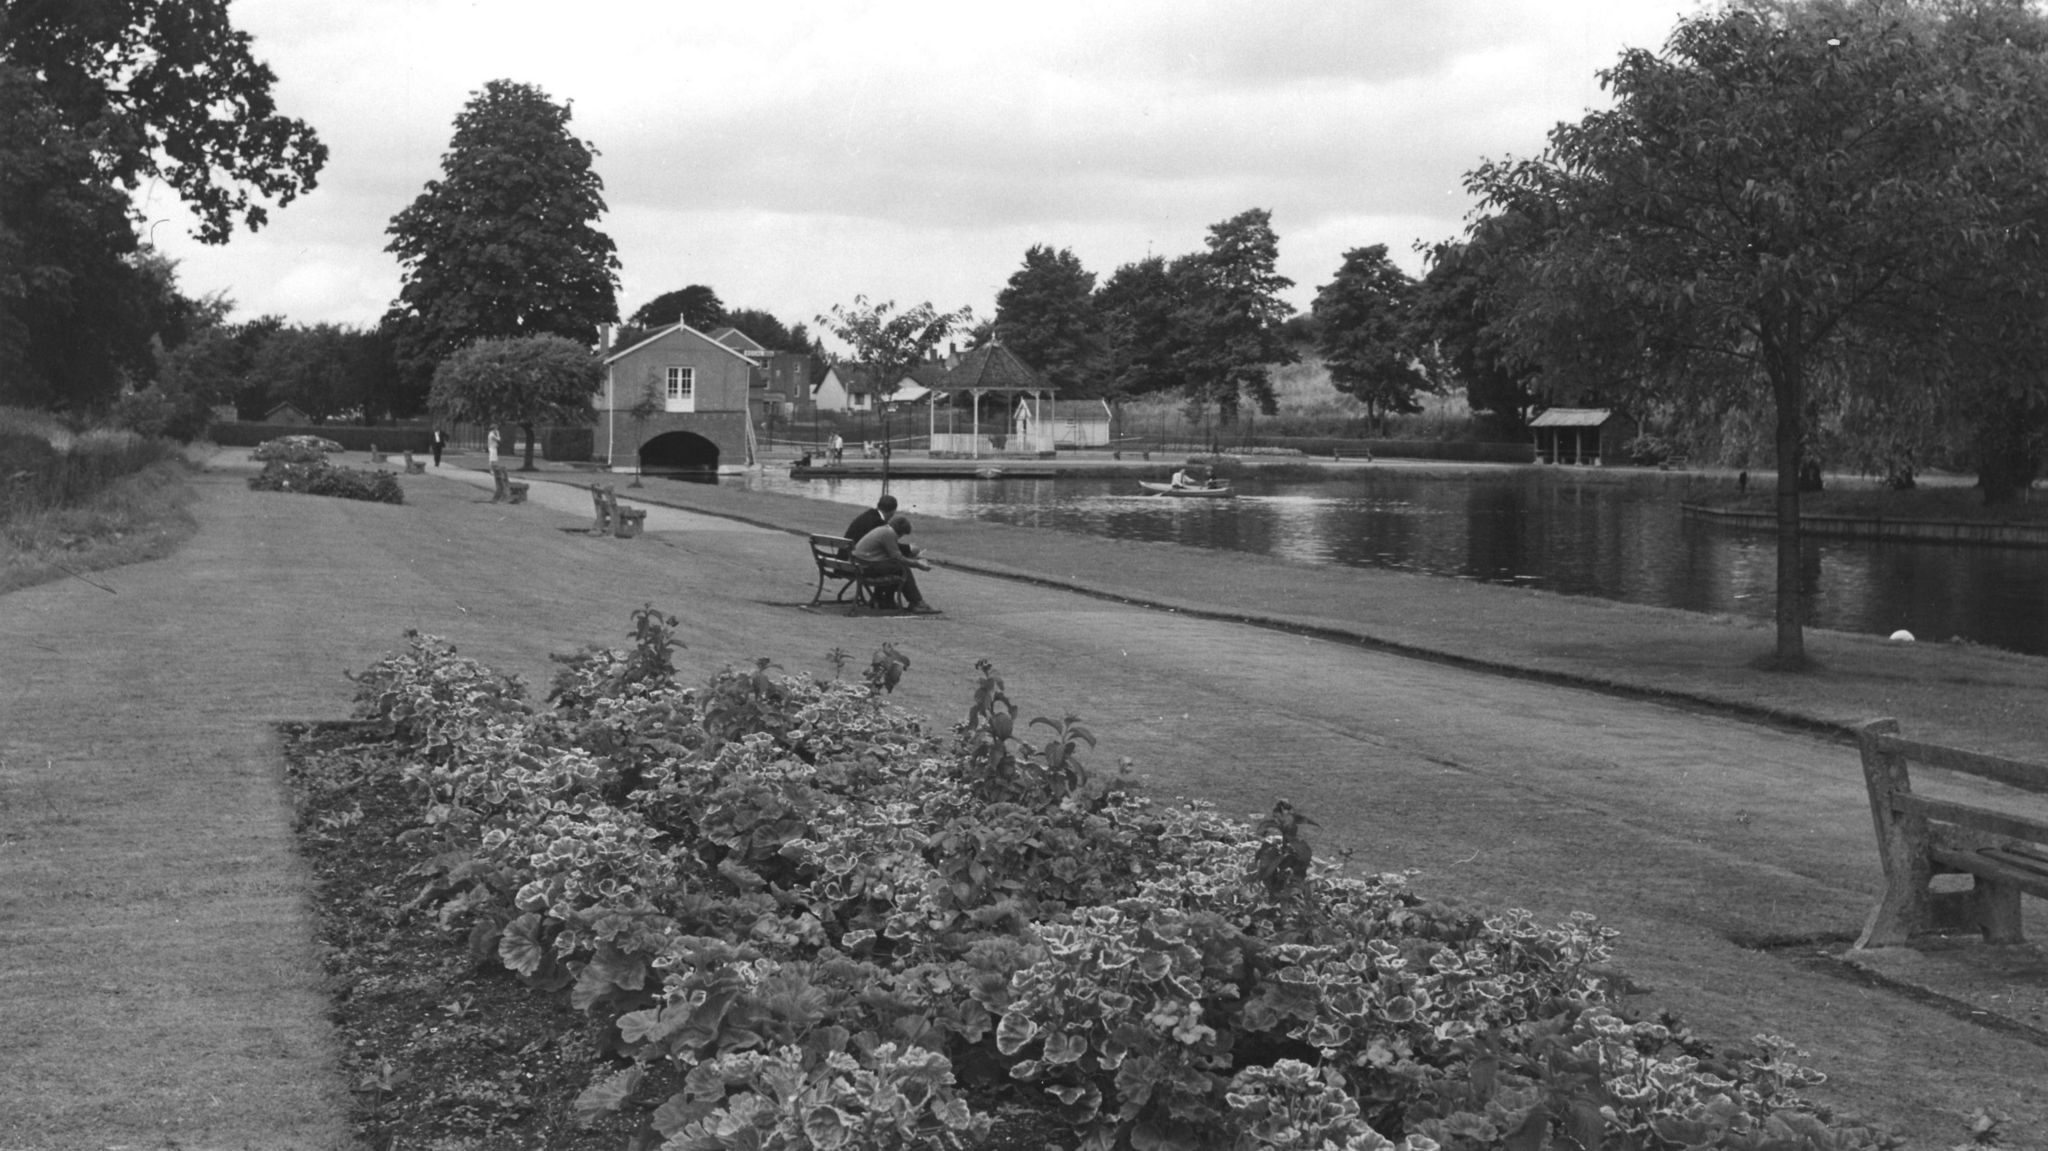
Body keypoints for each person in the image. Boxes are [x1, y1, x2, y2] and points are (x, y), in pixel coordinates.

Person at [852, 515, 935, 613]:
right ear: (900, 532)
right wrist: (917, 564)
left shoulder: (882, 530)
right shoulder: (889, 534)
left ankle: (885, 600)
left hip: (859, 565)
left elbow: (891, 556)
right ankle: (916, 602)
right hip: (866, 567)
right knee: (902, 568)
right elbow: (898, 558)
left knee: (892, 566)